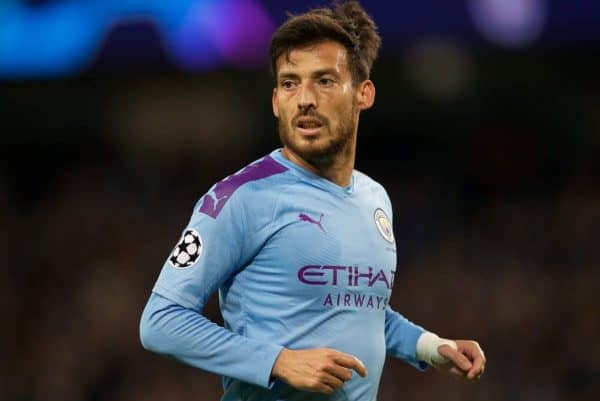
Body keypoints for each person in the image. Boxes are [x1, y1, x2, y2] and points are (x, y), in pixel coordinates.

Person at [139, 1, 486, 400]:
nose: (304, 98)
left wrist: (430, 346)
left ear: (363, 93)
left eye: (323, 81)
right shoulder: (240, 198)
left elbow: (359, 309)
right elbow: (160, 321)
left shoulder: (375, 198)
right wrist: (279, 361)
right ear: (275, 101)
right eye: (290, 83)